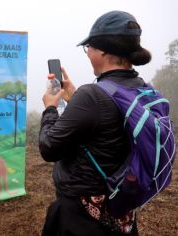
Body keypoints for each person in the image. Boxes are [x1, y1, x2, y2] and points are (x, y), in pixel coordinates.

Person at [39, 11, 152, 235]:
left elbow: (49, 147)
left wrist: (50, 108)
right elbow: (106, 124)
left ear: (102, 50)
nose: (88, 52)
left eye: (89, 46)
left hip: (83, 217)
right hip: (121, 207)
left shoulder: (92, 96)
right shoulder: (142, 88)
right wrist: (75, 97)